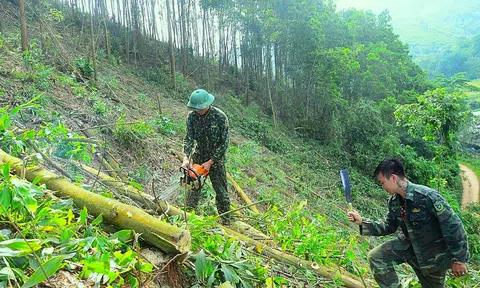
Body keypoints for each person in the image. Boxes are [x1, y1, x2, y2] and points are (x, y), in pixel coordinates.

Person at [348, 158, 469, 288]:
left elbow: (453, 226)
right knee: (377, 257)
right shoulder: (394, 201)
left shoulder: (427, 197)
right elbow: (388, 226)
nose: (382, 187)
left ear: (393, 178)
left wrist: (459, 259)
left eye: (382, 183)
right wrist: (362, 221)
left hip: (433, 258)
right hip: (408, 248)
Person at [182, 89, 231, 223]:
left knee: (221, 193)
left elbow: (224, 143)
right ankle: (189, 217)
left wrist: (211, 161)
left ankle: (226, 220)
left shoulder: (220, 117)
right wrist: (186, 157)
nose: (198, 111)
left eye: (200, 108)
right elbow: (188, 139)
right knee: (193, 189)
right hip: (199, 157)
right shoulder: (191, 117)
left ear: (206, 104)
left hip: (216, 160)